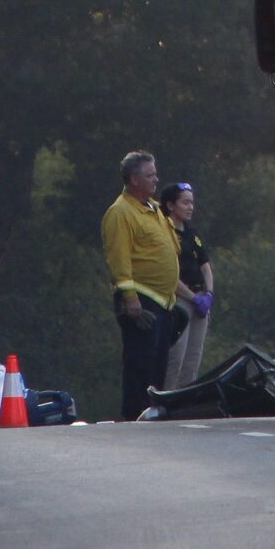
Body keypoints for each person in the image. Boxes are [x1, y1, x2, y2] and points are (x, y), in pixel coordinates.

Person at [101, 150, 180, 420]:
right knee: (140, 364)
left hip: (163, 299)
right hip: (142, 299)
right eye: (150, 175)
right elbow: (119, 258)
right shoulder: (120, 213)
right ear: (134, 179)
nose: (156, 179)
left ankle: (153, 413)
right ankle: (135, 416)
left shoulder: (154, 208)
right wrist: (130, 298)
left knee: (157, 365)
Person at [162, 182, 214, 389]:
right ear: (171, 205)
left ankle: (187, 401)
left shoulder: (192, 233)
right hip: (181, 300)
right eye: (185, 202)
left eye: (192, 203)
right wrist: (192, 298)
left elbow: (206, 266)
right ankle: (166, 399)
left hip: (200, 298)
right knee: (177, 357)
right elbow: (168, 275)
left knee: (193, 358)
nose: (190, 207)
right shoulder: (165, 233)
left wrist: (208, 293)